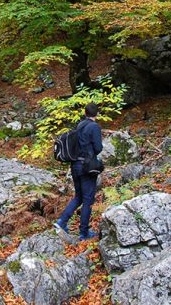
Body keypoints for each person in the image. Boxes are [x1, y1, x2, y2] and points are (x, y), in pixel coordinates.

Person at [53, 102, 102, 242]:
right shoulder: (94, 127)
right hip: (87, 166)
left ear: (85, 113)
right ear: (97, 114)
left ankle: (62, 221)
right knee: (88, 200)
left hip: (75, 165)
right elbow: (98, 148)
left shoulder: (80, 125)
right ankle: (84, 233)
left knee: (78, 196)